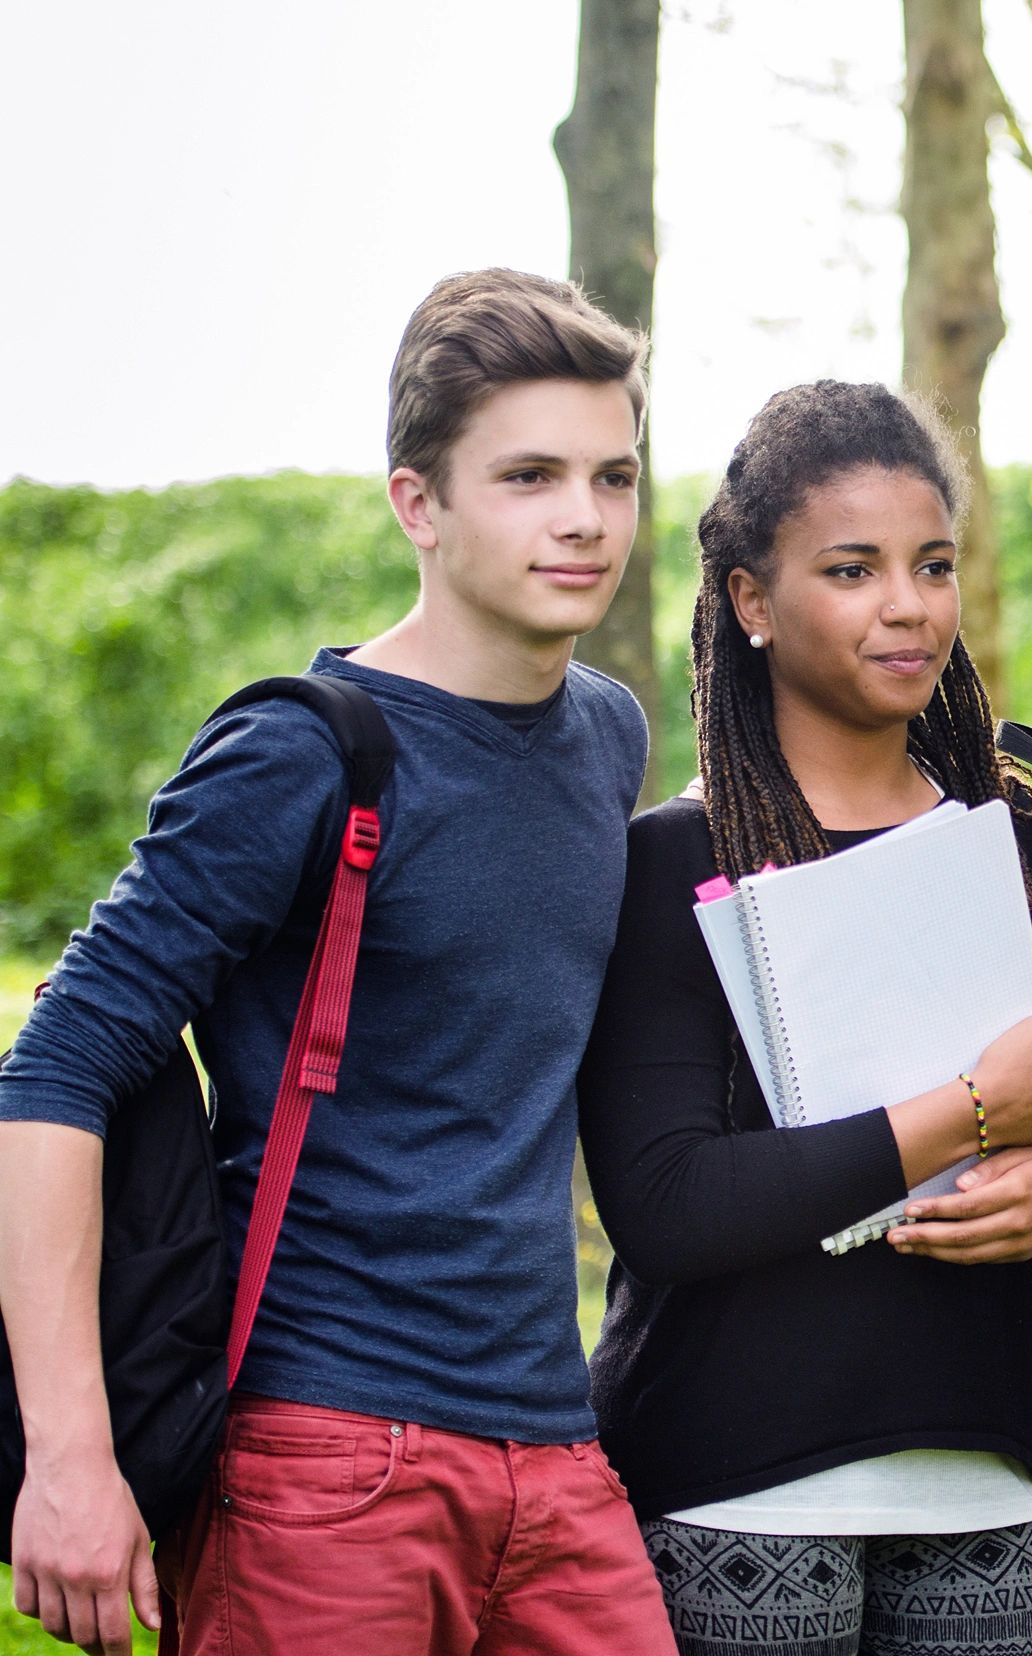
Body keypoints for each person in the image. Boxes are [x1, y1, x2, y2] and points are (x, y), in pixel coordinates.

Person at [0, 269, 675, 1654]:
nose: (584, 519)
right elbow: (57, 1070)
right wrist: (69, 1461)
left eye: (614, 477)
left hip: (554, 1448)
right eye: (531, 475)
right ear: (417, 504)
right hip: (323, 1453)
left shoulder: (608, 736)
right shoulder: (303, 751)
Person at [576, 380, 1032, 1656]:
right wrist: (968, 1113)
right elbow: (668, 1202)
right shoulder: (669, 864)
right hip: (737, 1494)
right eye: (853, 569)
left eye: (932, 565)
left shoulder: (1020, 843)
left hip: (985, 1477)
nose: (909, 605)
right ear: (751, 601)